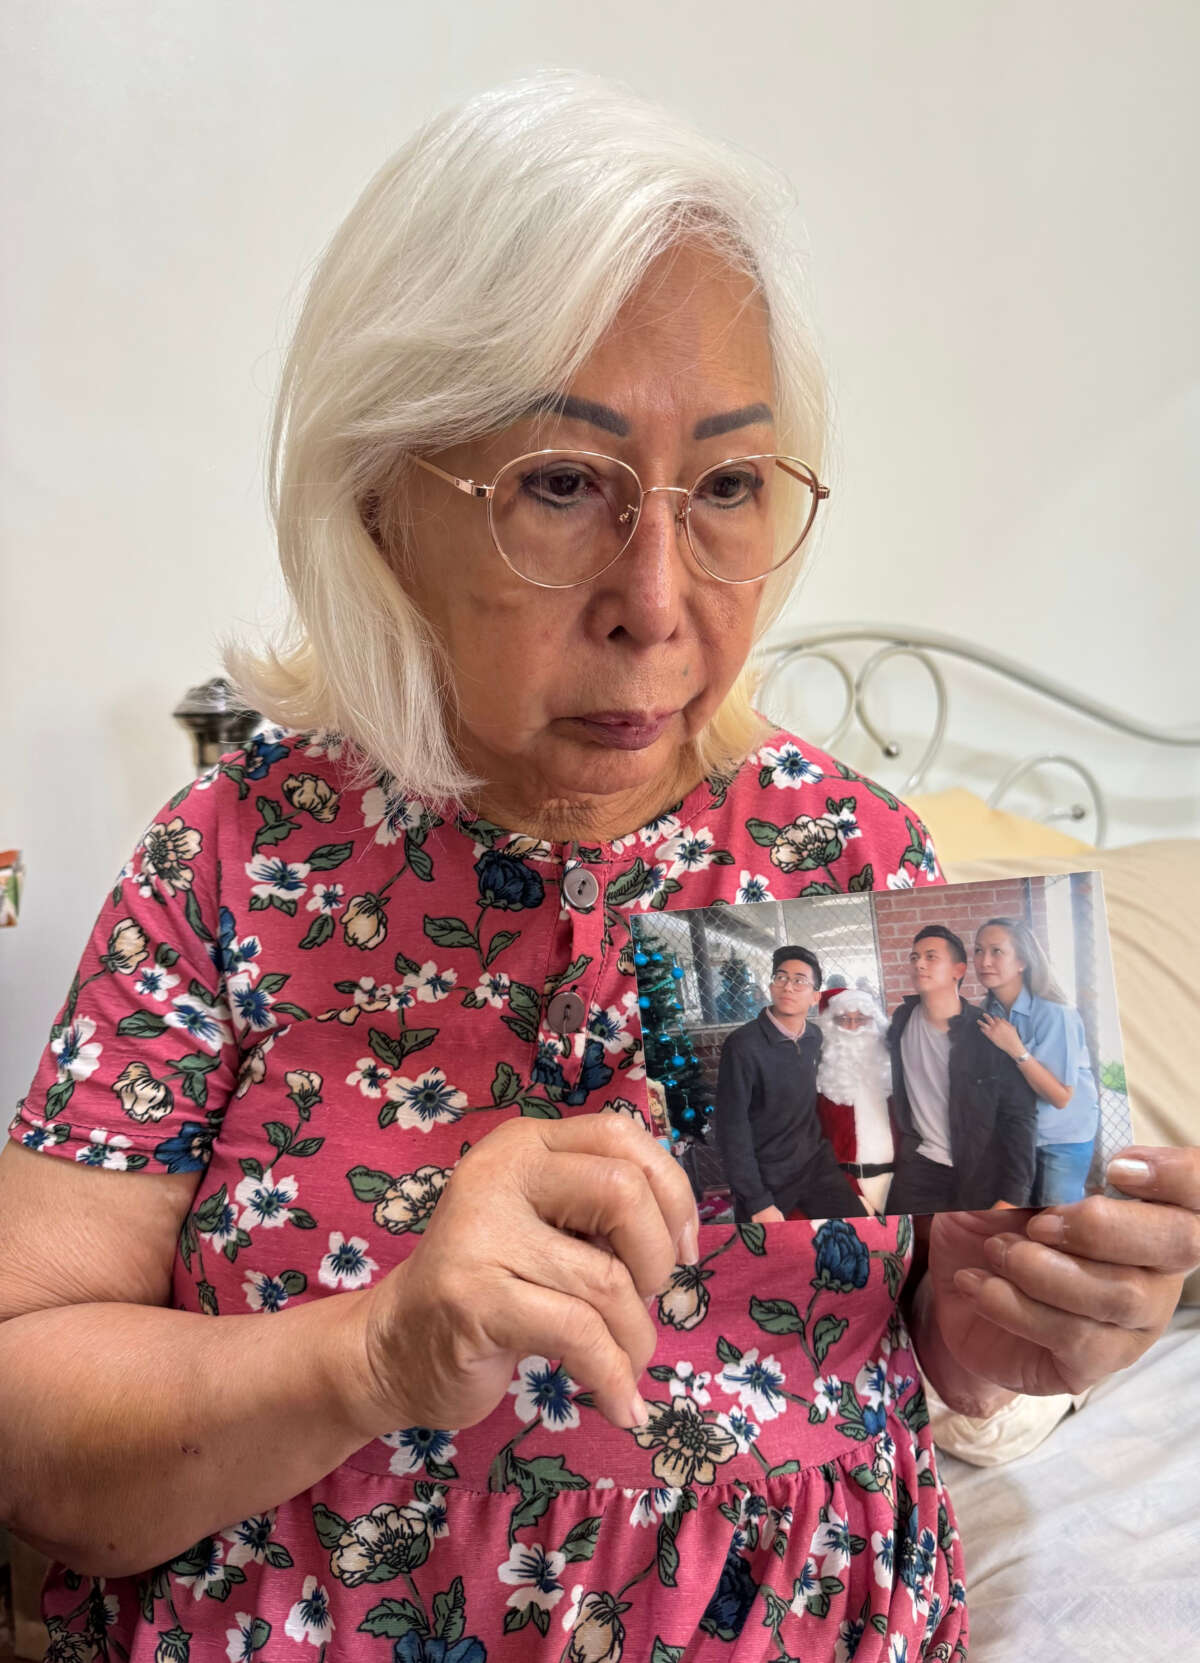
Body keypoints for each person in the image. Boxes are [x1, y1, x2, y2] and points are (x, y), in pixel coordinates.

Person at [1, 74, 1196, 1663]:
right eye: (561, 484)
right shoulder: (232, 859)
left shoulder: (853, 852)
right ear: (382, 502)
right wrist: (376, 1352)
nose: (657, 596)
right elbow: (26, 1432)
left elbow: (910, 1346)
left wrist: (989, 1332)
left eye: (725, 488)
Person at [885, 926, 1038, 1214]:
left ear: (958, 970)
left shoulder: (988, 1032)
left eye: (931, 957)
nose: (918, 963)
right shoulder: (902, 1021)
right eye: (914, 957)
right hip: (920, 1165)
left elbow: (1020, 1115)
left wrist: (1015, 1194)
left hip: (978, 1172)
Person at [713, 946, 865, 1224]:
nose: (788, 987)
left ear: (814, 997)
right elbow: (730, 1128)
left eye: (799, 981)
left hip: (815, 1165)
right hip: (767, 1175)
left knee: (862, 1230)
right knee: (772, 1258)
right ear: (771, 985)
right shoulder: (743, 1045)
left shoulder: (815, 1038)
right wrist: (757, 1200)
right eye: (780, 977)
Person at [974, 916, 1101, 1206]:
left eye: (997, 951)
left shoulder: (1055, 1013)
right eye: (978, 951)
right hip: (1018, 1137)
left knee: (1058, 1222)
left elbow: (1060, 1097)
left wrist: (1016, 1049)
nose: (984, 961)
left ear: (1022, 961)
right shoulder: (988, 1012)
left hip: (1062, 1137)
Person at [814, 983, 897, 1216]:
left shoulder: (894, 1071)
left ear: (875, 1023)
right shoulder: (821, 1079)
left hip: (900, 1185)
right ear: (831, 1025)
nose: (853, 1027)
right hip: (845, 1190)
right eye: (843, 1020)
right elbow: (816, 1143)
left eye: (861, 1019)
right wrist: (849, 1194)